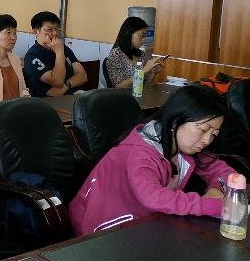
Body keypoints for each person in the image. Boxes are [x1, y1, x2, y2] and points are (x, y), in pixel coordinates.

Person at [69, 85, 237, 236]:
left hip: (143, 226)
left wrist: (216, 189)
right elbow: (154, 197)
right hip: (102, 232)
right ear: (176, 121)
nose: (207, 140)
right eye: (203, 130)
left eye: (214, 134)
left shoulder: (185, 146)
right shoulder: (140, 153)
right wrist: (209, 205)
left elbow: (227, 174)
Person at [23, 11, 87, 97]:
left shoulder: (63, 48)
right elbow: (57, 81)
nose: (55, 33)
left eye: (57, 29)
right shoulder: (32, 56)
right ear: (36, 32)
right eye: (49, 29)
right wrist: (59, 52)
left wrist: (66, 86)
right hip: (50, 100)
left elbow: (82, 76)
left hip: (75, 94)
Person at [105, 17, 164, 89]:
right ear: (129, 33)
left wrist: (153, 73)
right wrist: (144, 70)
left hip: (137, 95)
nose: (144, 39)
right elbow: (119, 87)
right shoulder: (116, 54)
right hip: (121, 95)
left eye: (145, 36)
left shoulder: (141, 55)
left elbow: (144, 87)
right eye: (142, 35)